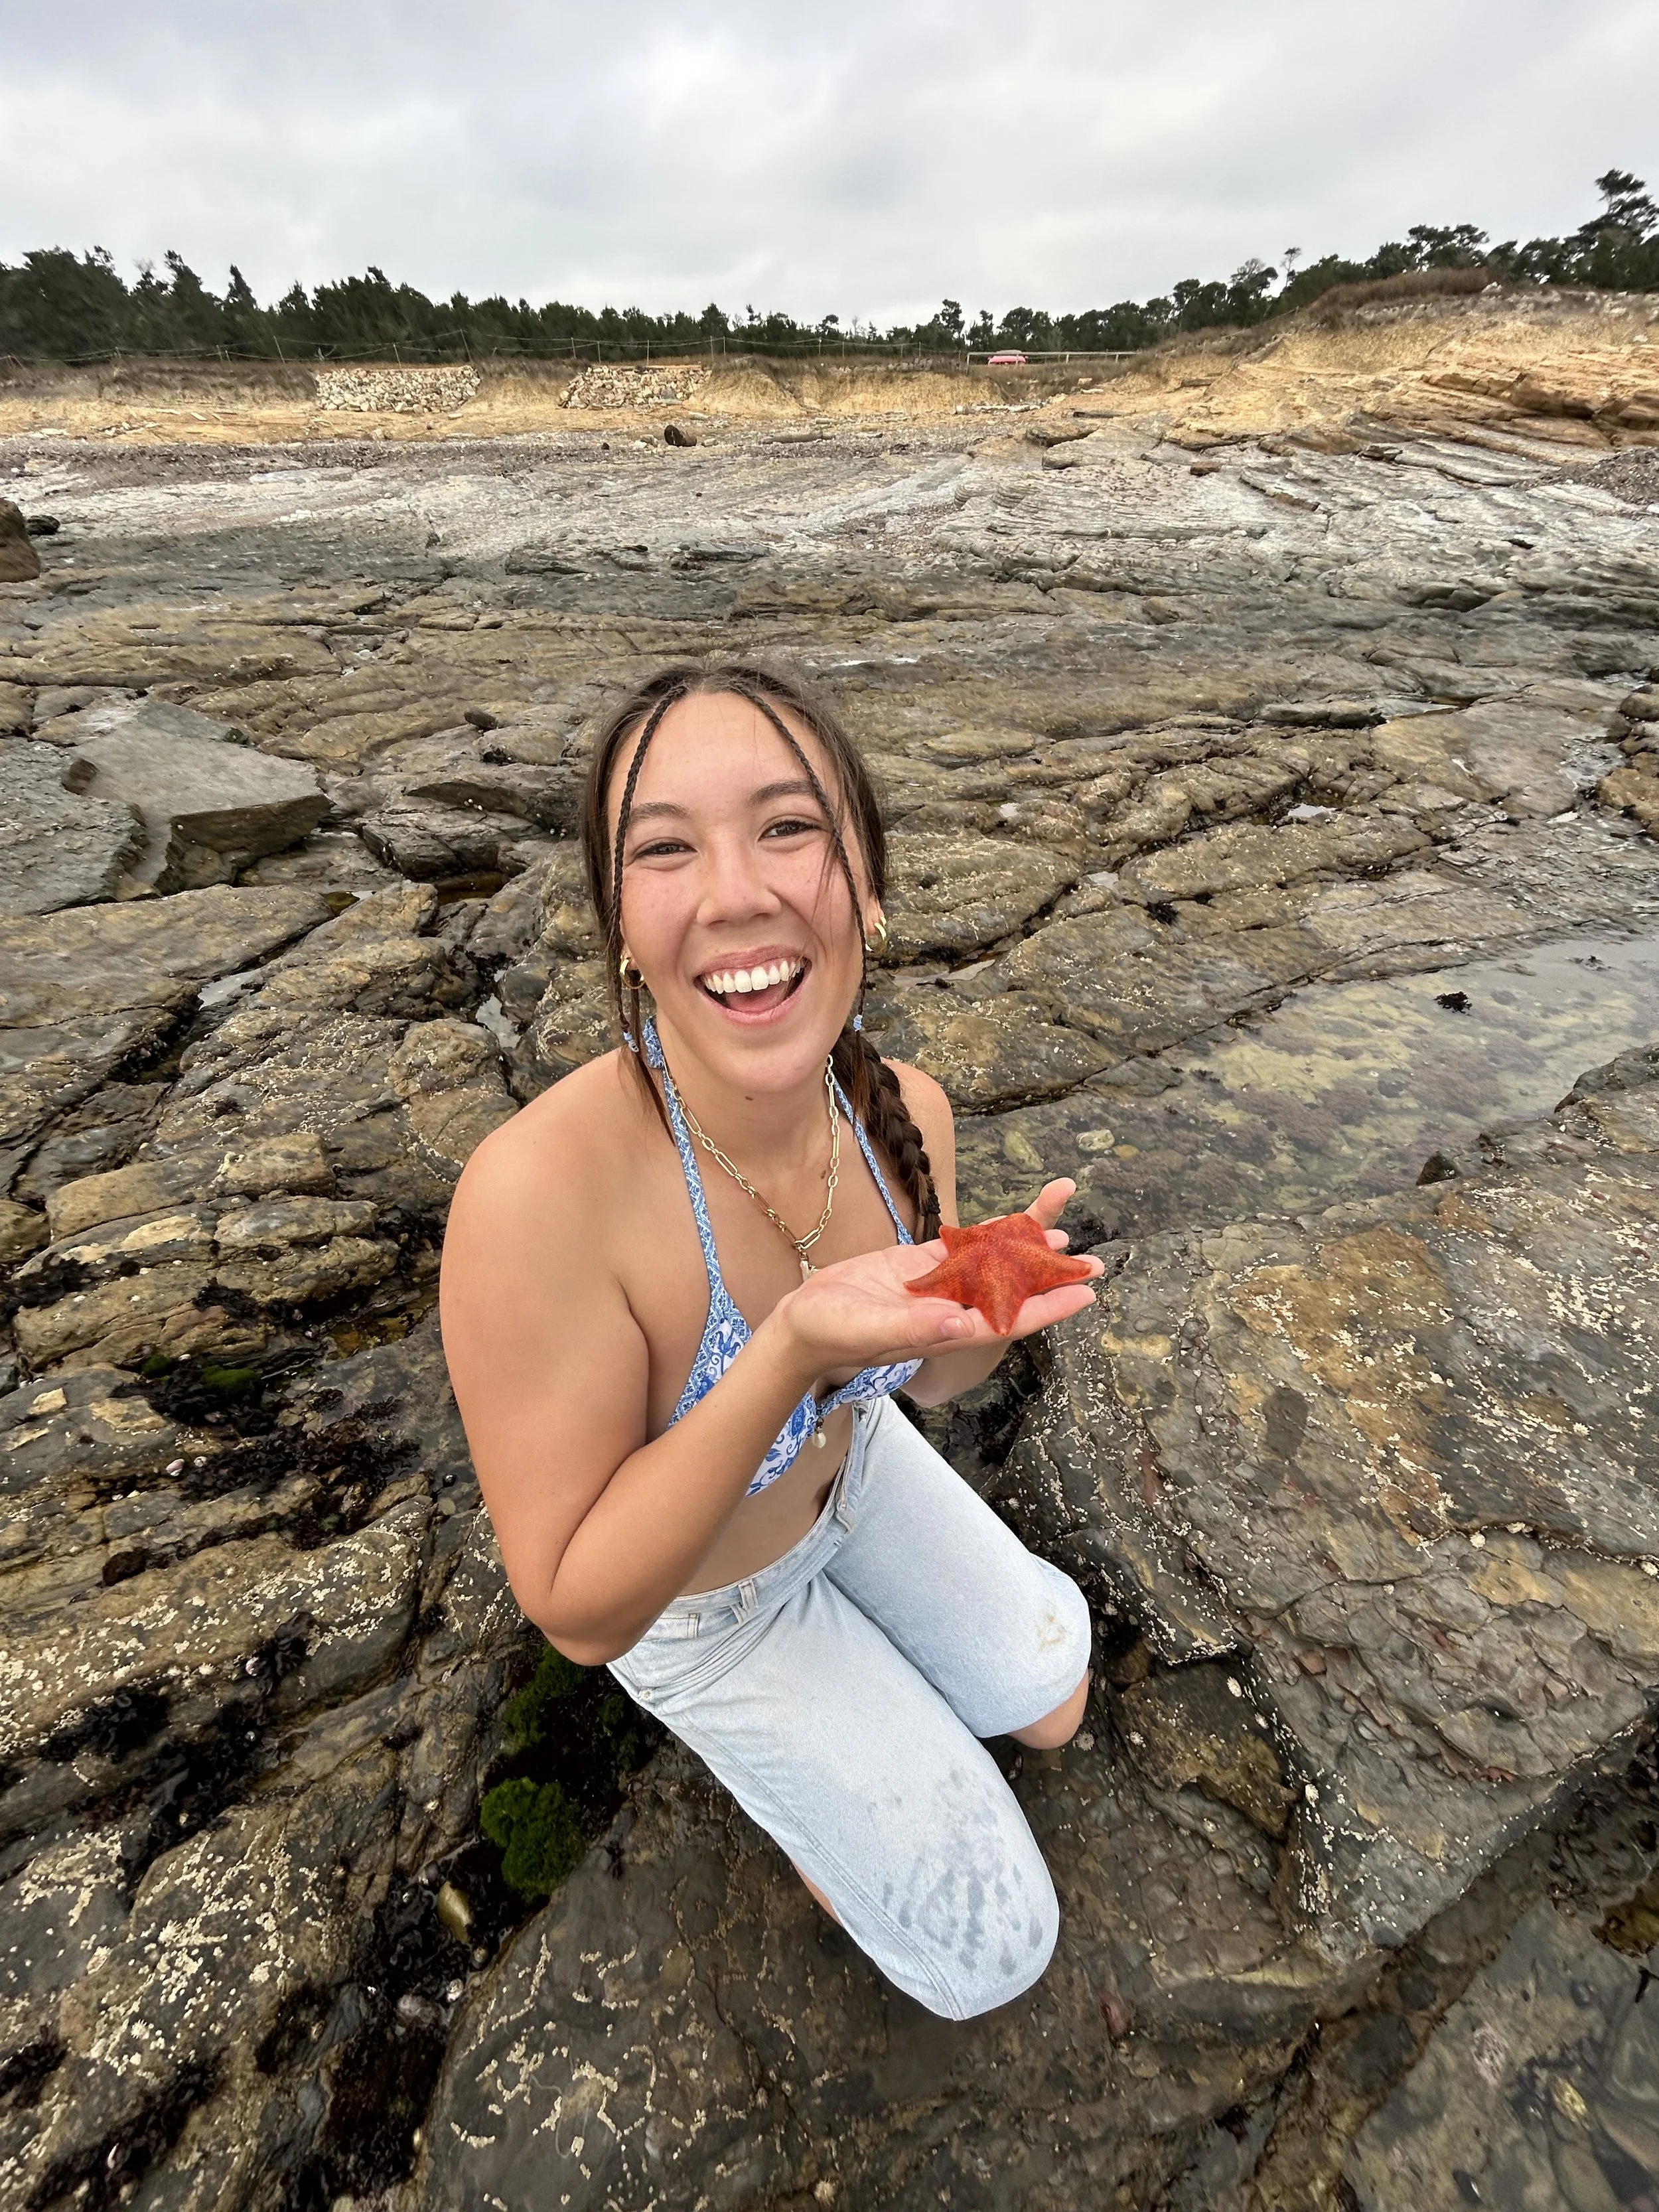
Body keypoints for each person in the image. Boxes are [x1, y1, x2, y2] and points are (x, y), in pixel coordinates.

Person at [440, 660, 1101, 2020]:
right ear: (621, 920)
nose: (737, 891)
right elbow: (577, 1606)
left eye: (787, 828)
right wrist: (789, 1348)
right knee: (994, 1952)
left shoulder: (897, 1107)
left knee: (1051, 1698)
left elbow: (930, 1378)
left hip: (854, 1480)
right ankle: (800, 1795)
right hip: (700, 1608)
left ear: (867, 883)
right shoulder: (536, 1198)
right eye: (665, 848)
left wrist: (978, 1306)